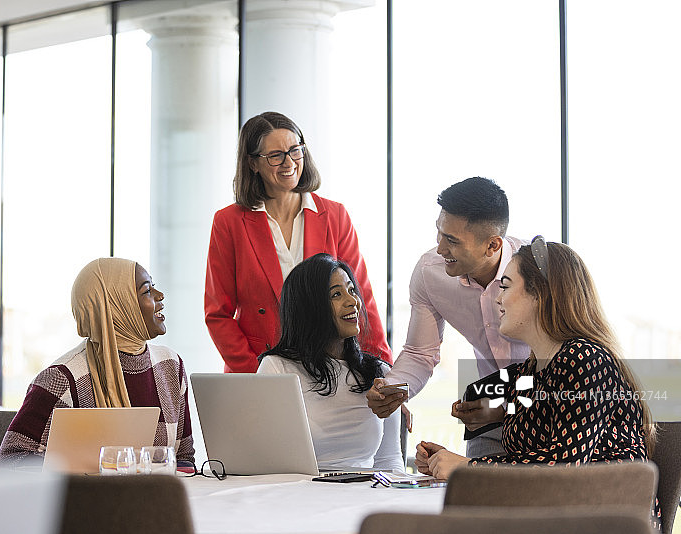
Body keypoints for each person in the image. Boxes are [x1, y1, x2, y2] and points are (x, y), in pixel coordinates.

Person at [414, 237, 660, 528]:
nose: (497, 298)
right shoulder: (531, 371)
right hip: (555, 519)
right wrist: (445, 459)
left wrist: (469, 468)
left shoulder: (583, 358)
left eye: (505, 286)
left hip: (605, 522)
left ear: (540, 294)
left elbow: (563, 468)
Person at [205, 111, 391, 373]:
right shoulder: (229, 222)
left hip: (331, 366)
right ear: (253, 163)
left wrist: (384, 370)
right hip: (259, 366)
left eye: (295, 150)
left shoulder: (334, 216)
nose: (289, 162)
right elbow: (218, 313)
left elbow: (361, 297)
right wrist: (258, 372)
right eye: (275, 155)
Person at [366, 177, 529, 457]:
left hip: (550, 409)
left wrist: (506, 407)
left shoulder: (541, 271)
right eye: (440, 234)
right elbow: (420, 353)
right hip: (489, 413)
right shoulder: (430, 273)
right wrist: (393, 389)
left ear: (492, 246)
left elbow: (569, 363)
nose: (440, 249)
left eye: (451, 241)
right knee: (474, 496)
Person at [0, 258, 194, 468]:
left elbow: (184, 458)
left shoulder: (171, 366)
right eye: (146, 291)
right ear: (117, 306)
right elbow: (9, 461)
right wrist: (76, 467)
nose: (160, 295)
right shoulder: (62, 378)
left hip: (153, 499)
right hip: (88, 500)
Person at [257, 253, 404, 472]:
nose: (353, 301)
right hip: (299, 496)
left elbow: (390, 460)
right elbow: (262, 457)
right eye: (336, 294)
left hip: (365, 497)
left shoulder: (379, 373)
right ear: (309, 307)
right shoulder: (277, 369)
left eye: (352, 290)